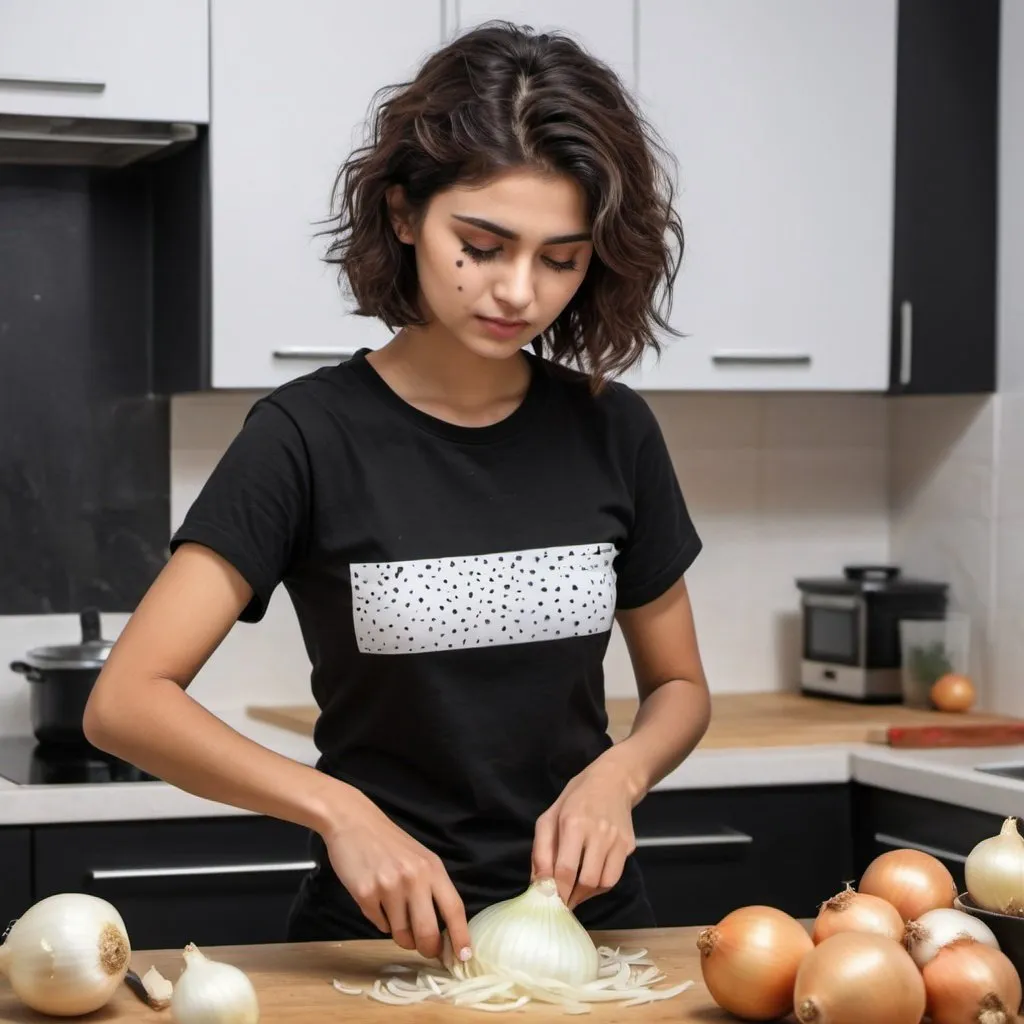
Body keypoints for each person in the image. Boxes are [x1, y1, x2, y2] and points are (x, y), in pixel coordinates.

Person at [82, 20, 711, 965]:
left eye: (560, 257)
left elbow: (680, 688)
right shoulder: (304, 438)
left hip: (590, 941)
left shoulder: (614, 430)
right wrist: (339, 811)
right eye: (483, 243)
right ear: (406, 212)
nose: (518, 291)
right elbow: (126, 702)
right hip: (381, 951)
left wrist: (621, 775)